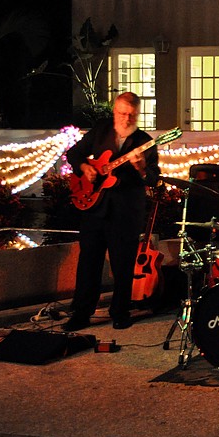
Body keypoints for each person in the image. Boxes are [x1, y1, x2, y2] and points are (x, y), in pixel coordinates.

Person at [64, 92, 161, 331]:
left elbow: (153, 179)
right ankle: (81, 313)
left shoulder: (145, 142)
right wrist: (86, 167)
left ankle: (120, 311)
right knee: (88, 262)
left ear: (137, 115)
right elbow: (73, 154)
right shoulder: (101, 130)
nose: (126, 118)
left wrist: (140, 168)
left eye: (131, 114)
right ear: (114, 112)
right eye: (122, 113)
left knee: (123, 264)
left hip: (125, 212)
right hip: (94, 208)